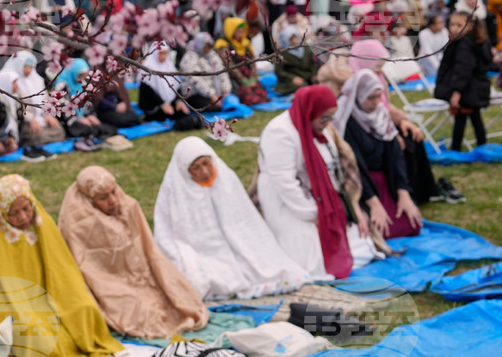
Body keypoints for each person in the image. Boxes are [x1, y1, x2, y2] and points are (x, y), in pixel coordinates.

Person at [0, 174, 124, 356]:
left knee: (84, 308)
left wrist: (69, 299)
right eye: (14, 213)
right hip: (17, 305)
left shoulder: (43, 226)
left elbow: (62, 269)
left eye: (26, 208)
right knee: (31, 330)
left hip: (54, 295)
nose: (23, 217)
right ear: (2, 213)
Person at [58, 166, 209, 339]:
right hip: (108, 285)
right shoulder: (78, 225)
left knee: (179, 298)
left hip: (141, 276)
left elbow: (150, 251)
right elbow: (90, 272)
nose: (113, 200)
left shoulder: (128, 206)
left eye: (114, 191)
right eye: (103, 198)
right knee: (141, 313)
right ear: (90, 200)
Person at [153, 137, 311, 299]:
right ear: (184, 170)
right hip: (205, 252)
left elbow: (246, 220)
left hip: (237, 245)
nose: (205, 172)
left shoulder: (226, 179)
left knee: (262, 266)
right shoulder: (175, 192)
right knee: (203, 276)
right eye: (196, 168)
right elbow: (165, 234)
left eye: (207, 163)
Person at [257, 87, 354, 280]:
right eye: (323, 118)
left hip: (313, 194)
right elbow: (284, 181)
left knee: (348, 236)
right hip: (283, 197)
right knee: (306, 247)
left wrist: (326, 207)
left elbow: (329, 169)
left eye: (330, 118)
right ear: (310, 112)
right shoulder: (280, 132)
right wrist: (312, 212)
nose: (326, 124)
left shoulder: (319, 131)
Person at [347, 39, 460, 204]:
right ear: (365, 60)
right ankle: (404, 192)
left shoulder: (377, 76)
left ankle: (423, 191)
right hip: (367, 132)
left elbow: (385, 106)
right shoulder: (352, 83)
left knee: (414, 136)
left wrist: (403, 121)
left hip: (383, 124)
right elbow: (364, 117)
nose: (381, 68)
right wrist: (391, 133)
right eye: (378, 63)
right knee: (402, 144)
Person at [335, 71, 423, 240]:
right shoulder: (347, 121)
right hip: (361, 184)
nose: (376, 103)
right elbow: (353, 167)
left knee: (412, 225)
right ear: (358, 95)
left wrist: (403, 193)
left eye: (378, 96)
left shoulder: (381, 114)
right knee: (380, 231)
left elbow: (395, 155)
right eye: (370, 98)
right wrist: (373, 203)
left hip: (386, 179)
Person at [436, 12, 492, 152]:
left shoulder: (465, 44)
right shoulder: (468, 41)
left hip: (467, 89)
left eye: (459, 25)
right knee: (472, 118)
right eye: (452, 24)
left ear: (470, 26)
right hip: (471, 89)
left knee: (464, 119)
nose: (454, 28)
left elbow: (463, 69)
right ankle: (480, 146)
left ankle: (458, 149)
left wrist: (456, 91)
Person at [0, 51, 65, 147]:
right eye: (25, 67)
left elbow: (46, 101)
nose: (28, 70)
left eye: (30, 67)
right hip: (27, 121)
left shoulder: (38, 80)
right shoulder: (14, 84)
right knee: (37, 135)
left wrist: (48, 116)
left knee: (59, 131)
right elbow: (17, 107)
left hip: (43, 119)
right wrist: (30, 119)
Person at [53, 59, 117, 151]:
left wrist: (90, 116)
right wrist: (80, 119)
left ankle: (94, 136)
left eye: (84, 75)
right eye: (80, 75)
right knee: (90, 129)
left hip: (83, 119)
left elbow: (87, 104)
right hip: (70, 122)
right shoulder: (61, 86)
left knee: (108, 128)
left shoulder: (82, 84)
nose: (82, 78)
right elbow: (63, 110)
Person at [137, 46, 202, 130]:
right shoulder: (147, 67)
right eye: (161, 53)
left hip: (169, 103)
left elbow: (176, 85)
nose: (163, 56)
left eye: (165, 53)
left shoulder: (169, 65)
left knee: (182, 112)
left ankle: (193, 121)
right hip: (155, 106)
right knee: (168, 115)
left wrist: (178, 101)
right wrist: (162, 104)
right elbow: (147, 90)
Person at [215, 18, 268, 106]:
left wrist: (253, 78)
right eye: (238, 31)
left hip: (248, 76)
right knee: (248, 96)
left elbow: (252, 62)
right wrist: (243, 80)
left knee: (261, 93)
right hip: (235, 77)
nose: (241, 34)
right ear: (231, 30)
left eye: (243, 31)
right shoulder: (223, 44)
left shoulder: (245, 43)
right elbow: (229, 65)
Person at [178, 32, 231, 110]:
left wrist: (225, 90)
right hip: (195, 93)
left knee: (229, 100)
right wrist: (211, 94)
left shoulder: (211, 55)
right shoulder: (190, 57)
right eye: (205, 46)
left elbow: (221, 71)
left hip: (213, 91)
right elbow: (195, 80)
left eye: (209, 46)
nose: (207, 48)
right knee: (215, 106)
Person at [274, 26, 319, 96]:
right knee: (300, 88)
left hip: (308, 77)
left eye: (295, 37)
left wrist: (314, 74)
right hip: (291, 80)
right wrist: (292, 78)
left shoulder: (306, 49)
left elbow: (312, 64)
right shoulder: (282, 53)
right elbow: (279, 71)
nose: (294, 41)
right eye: (291, 39)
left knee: (320, 83)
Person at [417, 14, 449, 78]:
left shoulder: (444, 31)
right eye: (439, 23)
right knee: (435, 75)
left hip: (440, 58)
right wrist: (438, 67)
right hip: (426, 60)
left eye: (442, 22)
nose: (442, 24)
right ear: (432, 26)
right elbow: (428, 52)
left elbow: (445, 48)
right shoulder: (423, 34)